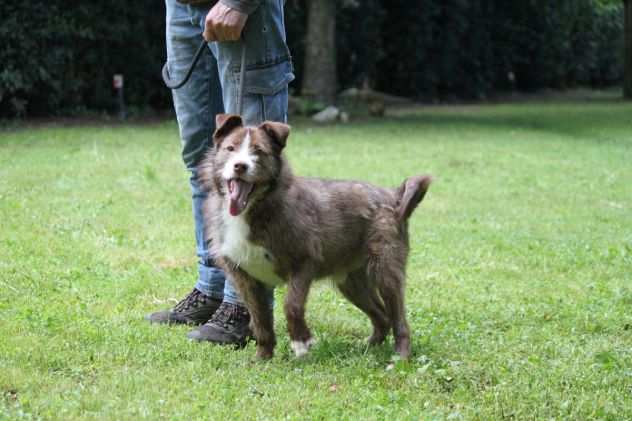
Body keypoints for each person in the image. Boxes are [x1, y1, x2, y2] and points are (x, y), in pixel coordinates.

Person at [146, 0, 294, 347]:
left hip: (243, 11)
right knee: (206, 160)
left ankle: (244, 303)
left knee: (251, 167)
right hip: (181, 9)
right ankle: (213, 287)